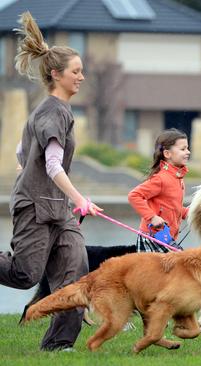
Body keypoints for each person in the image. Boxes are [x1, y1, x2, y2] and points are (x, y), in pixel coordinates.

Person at [0, 11, 101, 351]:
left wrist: (25, 165)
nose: (82, 77)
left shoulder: (57, 111)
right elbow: (55, 164)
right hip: (36, 208)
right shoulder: (53, 111)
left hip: (58, 213)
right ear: (56, 74)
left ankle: (58, 345)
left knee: (77, 275)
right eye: (76, 71)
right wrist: (80, 199)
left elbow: (21, 149)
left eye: (82, 71)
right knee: (25, 274)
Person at [128, 129, 191, 253]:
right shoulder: (161, 179)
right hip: (152, 237)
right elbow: (134, 196)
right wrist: (152, 217)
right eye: (183, 149)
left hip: (166, 238)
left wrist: (190, 213)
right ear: (167, 154)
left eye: (187, 148)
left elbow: (172, 206)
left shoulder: (178, 178)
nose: (188, 152)